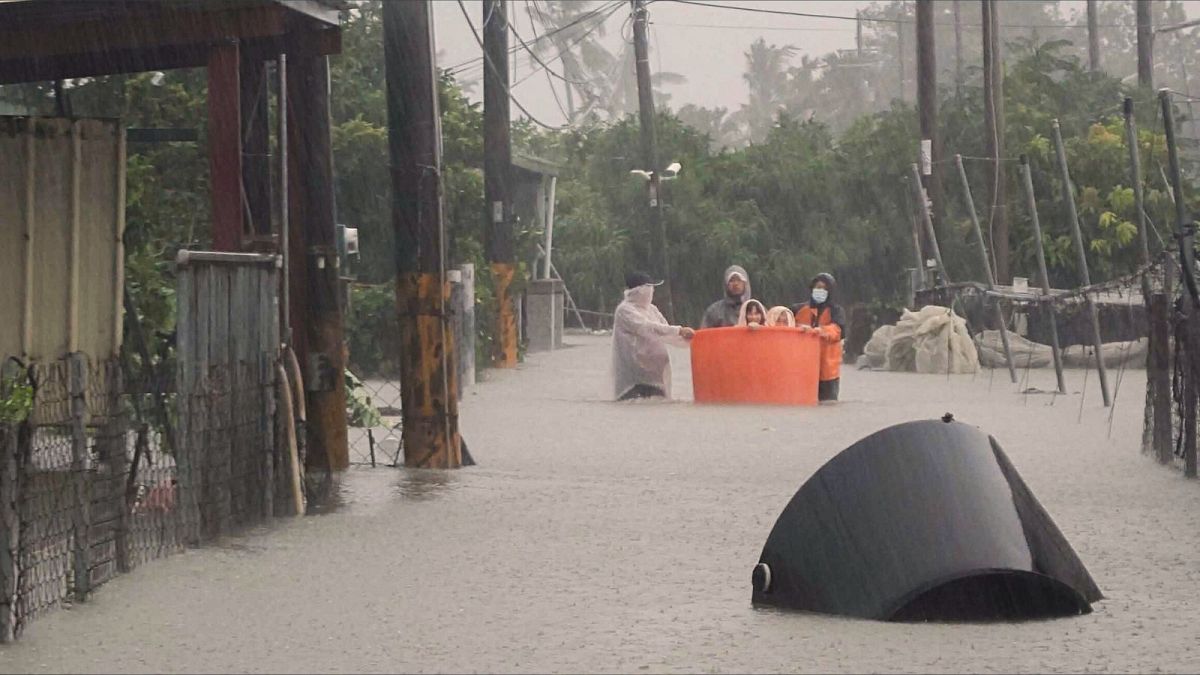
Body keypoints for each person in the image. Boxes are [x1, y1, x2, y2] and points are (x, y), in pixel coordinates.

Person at [612, 271, 695, 401]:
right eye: (648, 287)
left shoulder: (652, 309)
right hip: (634, 376)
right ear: (639, 291)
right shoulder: (624, 310)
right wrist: (679, 330)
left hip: (656, 373)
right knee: (634, 405)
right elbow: (647, 327)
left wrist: (693, 340)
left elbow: (666, 333)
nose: (652, 291)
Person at [793, 273, 846, 402]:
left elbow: (838, 330)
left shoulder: (836, 311)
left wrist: (820, 331)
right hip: (802, 367)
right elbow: (783, 324)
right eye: (818, 287)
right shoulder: (798, 309)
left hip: (828, 370)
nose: (820, 291)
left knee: (828, 404)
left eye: (824, 288)